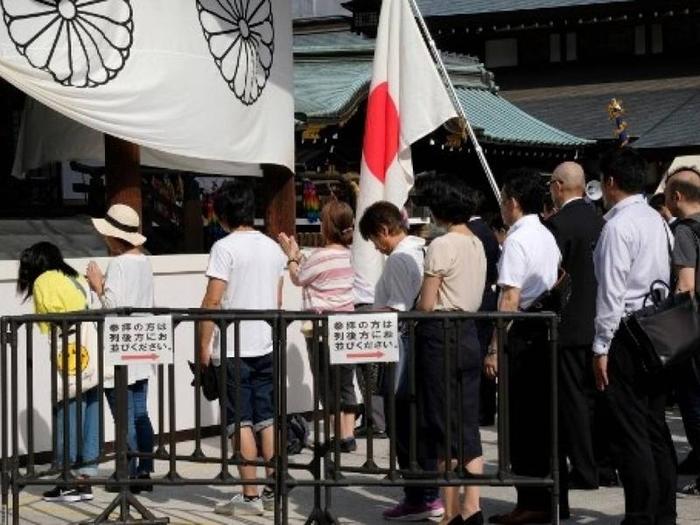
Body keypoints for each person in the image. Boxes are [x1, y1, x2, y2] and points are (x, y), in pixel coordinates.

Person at [592, 148, 677, 525]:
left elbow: (611, 291)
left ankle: (640, 513)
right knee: (654, 425)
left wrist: (601, 346)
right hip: (658, 325)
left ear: (610, 182)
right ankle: (664, 511)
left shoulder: (617, 226)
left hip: (626, 330)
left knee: (630, 429)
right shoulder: (658, 219)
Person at [198, 178, 286, 516]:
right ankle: (271, 489)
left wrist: (204, 345)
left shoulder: (224, 248)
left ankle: (249, 495)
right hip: (266, 343)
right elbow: (278, 301)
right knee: (267, 417)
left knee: (240, 420)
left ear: (222, 214)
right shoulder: (272, 248)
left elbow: (212, 300)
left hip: (234, 347)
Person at [484, 170, 567, 525]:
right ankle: (539, 499)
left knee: (523, 422)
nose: (502, 207)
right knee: (538, 421)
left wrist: (493, 347)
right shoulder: (546, 234)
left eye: (503, 200)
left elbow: (510, 297)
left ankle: (532, 501)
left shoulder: (517, 240)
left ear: (513, 203)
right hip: (544, 331)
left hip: (524, 333)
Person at [358, 201, 444, 522]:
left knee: (404, 420)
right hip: (426, 344)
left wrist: (365, 315)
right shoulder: (424, 249)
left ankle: (420, 495)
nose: (377, 248)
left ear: (384, 230)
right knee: (419, 419)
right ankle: (428, 493)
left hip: (401, 345)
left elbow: (396, 310)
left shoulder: (398, 259)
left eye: (374, 240)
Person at [415, 175, 487, 525]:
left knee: (443, 425)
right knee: (467, 423)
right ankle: (473, 505)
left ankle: (451, 512)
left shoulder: (441, 245)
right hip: (470, 331)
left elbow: (427, 303)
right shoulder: (476, 242)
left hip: (441, 334)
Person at [17, 242, 99, 502]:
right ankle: (85, 477)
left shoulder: (43, 281)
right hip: (92, 347)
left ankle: (67, 478)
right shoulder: (72, 275)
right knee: (90, 408)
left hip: (69, 351)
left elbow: (46, 324)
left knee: (67, 408)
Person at [278, 199, 358, 452]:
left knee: (326, 382)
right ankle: (349, 434)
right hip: (347, 324)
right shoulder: (352, 255)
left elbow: (298, 277)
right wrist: (299, 255)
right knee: (345, 382)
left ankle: (338, 436)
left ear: (327, 227)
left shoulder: (321, 256)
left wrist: (291, 257)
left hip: (321, 327)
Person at [86, 204, 156, 492]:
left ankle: (126, 471)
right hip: (143, 344)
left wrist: (97, 284)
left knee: (123, 413)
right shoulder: (144, 262)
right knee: (140, 411)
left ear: (114, 237)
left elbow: (112, 306)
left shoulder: (118, 264)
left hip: (119, 347)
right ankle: (144, 470)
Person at [546, 162, 605, 490]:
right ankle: (603, 463)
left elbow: (552, 275)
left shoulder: (559, 225)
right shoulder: (601, 220)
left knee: (574, 401)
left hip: (570, 322)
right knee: (598, 397)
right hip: (601, 318)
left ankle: (583, 468)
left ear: (557, 186)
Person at [664, 166, 700, 492]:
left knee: (693, 400)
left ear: (677, 197)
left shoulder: (685, 232)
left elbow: (686, 286)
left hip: (695, 329)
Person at [467, 191, 500, 427]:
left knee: (476, 356)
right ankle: (486, 409)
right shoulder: (487, 231)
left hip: (477, 296)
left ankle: (479, 410)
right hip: (488, 294)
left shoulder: (472, 233)